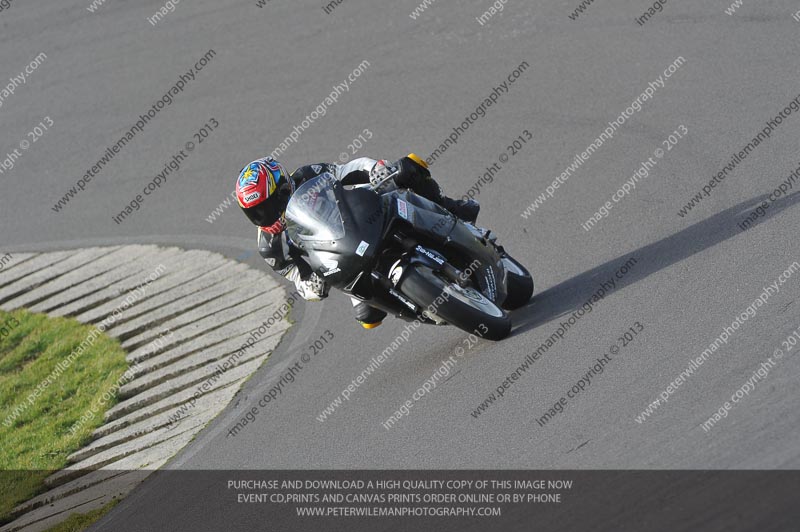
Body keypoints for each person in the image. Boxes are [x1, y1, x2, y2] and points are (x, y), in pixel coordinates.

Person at [235, 154, 479, 329]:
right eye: (256, 212)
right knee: (368, 316)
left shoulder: (308, 176)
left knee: (408, 167)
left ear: (283, 187)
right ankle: (426, 306)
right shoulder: (270, 245)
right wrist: (312, 287)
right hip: (343, 258)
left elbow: (347, 170)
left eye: (267, 206)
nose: (264, 216)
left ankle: (451, 209)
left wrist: (376, 170)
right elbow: (295, 277)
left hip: (362, 217)